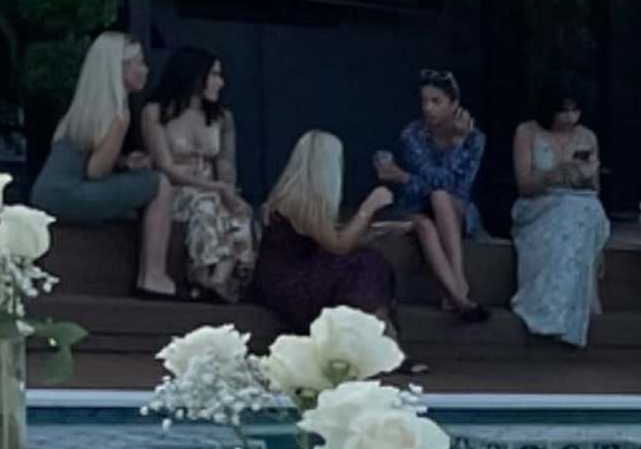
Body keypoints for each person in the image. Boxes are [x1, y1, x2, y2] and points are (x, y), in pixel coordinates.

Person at [34, 30, 173, 295]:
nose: (145, 70)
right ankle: (153, 275)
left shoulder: (84, 110)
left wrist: (124, 162)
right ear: (118, 69)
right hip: (72, 196)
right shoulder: (119, 115)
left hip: (46, 194)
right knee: (159, 184)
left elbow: (85, 157)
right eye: (138, 63)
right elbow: (96, 171)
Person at [366, 69, 488, 324]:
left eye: (436, 102)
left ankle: (458, 279)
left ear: (454, 104)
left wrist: (456, 144)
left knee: (441, 197)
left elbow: (459, 188)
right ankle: (459, 294)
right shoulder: (413, 134)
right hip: (417, 207)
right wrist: (411, 180)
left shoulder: (474, 138)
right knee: (429, 216)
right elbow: (431, 182)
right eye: (424, 101)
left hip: (457, 209)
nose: (428, 108)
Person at [246, 132, 398, 335]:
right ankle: (376, 334)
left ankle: (374, 331)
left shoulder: (294, 196)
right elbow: (338, 246)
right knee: (368, 264)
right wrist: (368, 208)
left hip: (295, 277)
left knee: (367, 261)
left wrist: (374, 232)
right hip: (287, 287)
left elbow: (326, 241)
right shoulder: (301, 200)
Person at [138, 44, 253, 300]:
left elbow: (226, 164)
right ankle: (203, 276)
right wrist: (217, 189)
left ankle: (218, 280)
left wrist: (228, 191)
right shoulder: (156, 111)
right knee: (206, 204)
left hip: (212, 187)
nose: (221, 83)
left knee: (239, 211)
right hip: (174, 191)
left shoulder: (222, 117)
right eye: (215, 75)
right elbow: (165, 166)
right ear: (195, 76)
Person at [508, 87, 608, 348]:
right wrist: (556, 174)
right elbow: (524, 185)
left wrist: (584, 173)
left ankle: (582, 299)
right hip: (539, 204)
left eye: (575, 110)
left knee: (586, 211)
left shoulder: (587, 136)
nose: (569, 117)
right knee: (570, 215)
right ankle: (548, 309)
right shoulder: (527, 132)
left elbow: (595, 188)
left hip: (580, 201)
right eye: (563, 111)